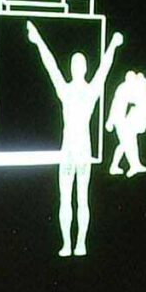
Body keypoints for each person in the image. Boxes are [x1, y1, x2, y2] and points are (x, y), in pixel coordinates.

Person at [25, 21, 121, 257]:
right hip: (70, 151)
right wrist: (38, 40)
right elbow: (50, 65)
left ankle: (78, 244)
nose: (77, 67)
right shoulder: (67, 90)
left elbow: (104, 68)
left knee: (79, 199)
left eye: (80, 64)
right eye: (75, 64)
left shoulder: (86, 91)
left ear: (83, 68)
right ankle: (69, 244)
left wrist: (113, 46)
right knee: (68, 199)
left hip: (78, 151)